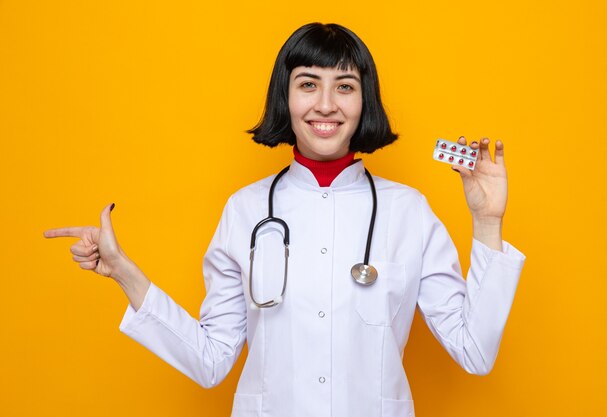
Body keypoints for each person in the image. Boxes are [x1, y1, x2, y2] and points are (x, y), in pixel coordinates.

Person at [44, 22, 526, 417]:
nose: (325, 105)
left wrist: (487, 223)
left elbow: (475, 352)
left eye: (345, 87)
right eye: (308, 84)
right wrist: (125, 274)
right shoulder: (246, 210)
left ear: (365, 102)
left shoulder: (408, 212)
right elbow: (211, 360)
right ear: (286, 97)